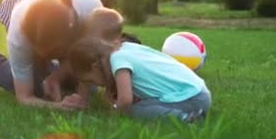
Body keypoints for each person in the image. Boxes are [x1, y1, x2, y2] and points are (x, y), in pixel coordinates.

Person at [0, 0, 103, 110]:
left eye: (55, 52)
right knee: (38, 87)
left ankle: (52, 72)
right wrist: (59, 107)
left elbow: (87, 62)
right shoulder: (19, 32)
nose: (47, 57)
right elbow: (25, 97)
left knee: (90, 88)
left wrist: (61, 80)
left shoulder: (93, 13)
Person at [67, 37, 211, 121]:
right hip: (198, 91)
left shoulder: (118, 60)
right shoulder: (126, 47)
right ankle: (189, 115)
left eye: (92, 81)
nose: (96, 85)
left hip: (190, 98)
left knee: (134, 110)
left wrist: (113, 114)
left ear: (95, 66)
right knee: (142, 104)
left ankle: (185, 118)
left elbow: (125, 101)